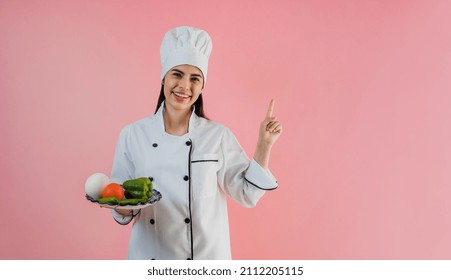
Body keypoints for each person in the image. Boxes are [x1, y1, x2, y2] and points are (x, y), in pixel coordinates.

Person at [109, 26, 283, 260]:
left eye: (195, 78)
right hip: (149, 257)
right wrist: (122, 207)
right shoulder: (133, 135)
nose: (184, 86)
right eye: (177, 74)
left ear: (202, 87)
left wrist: (265, 143)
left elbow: (247, 194)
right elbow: (121, 203)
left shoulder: (217, 136)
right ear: (163, 78)